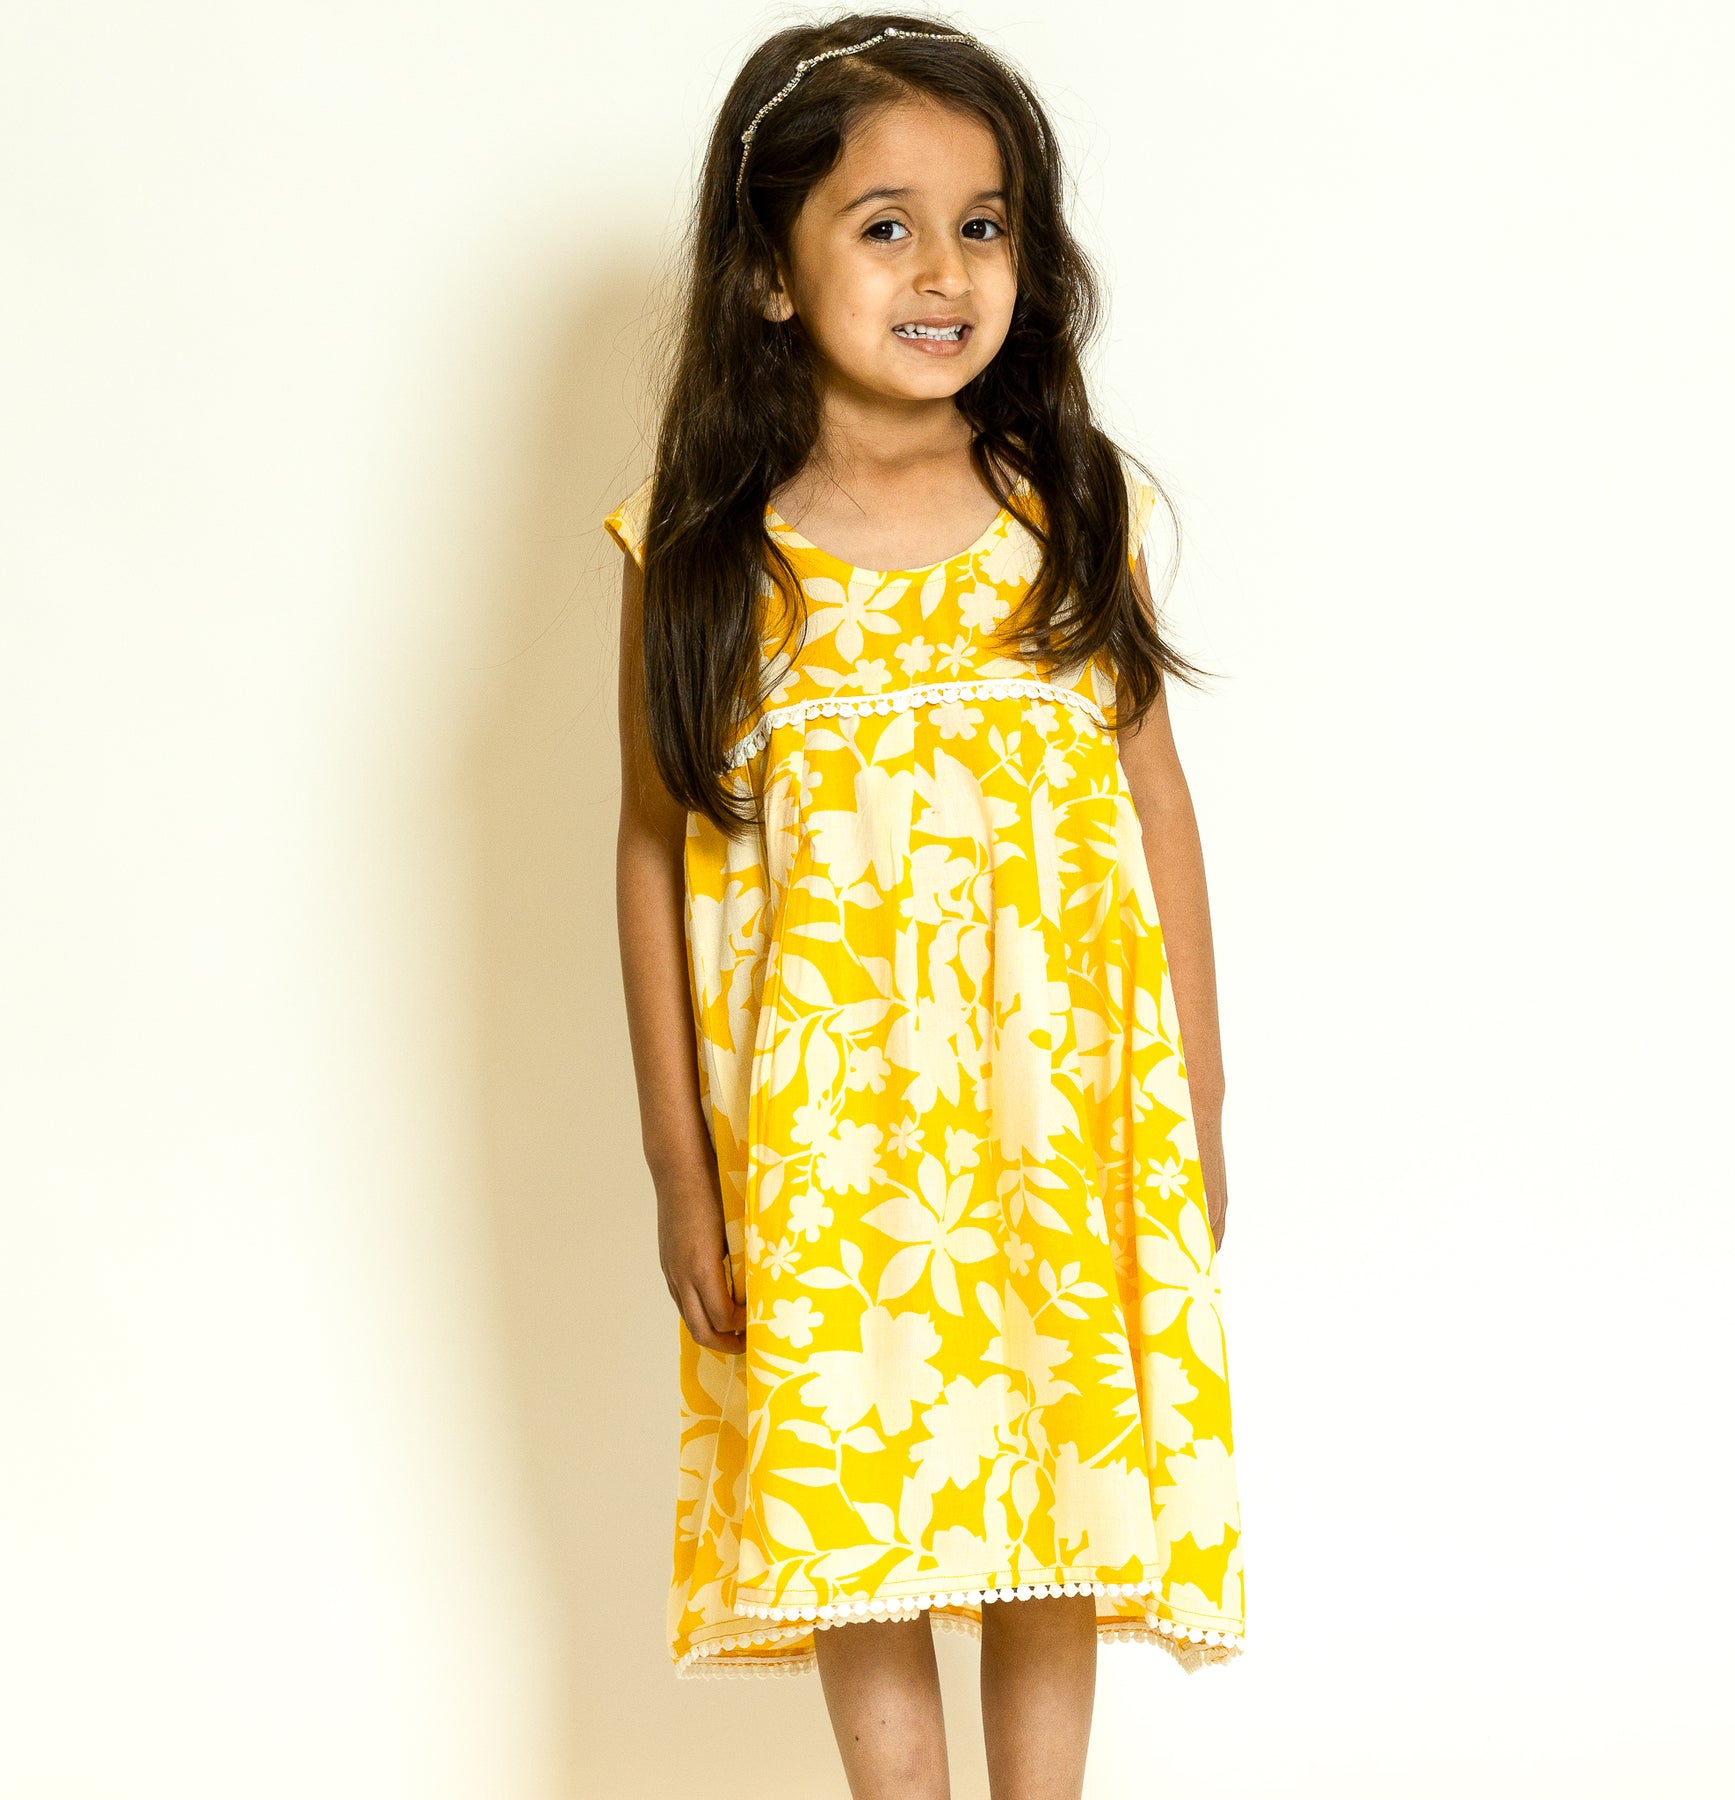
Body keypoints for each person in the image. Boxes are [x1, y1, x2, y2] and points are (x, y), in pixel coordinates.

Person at [606, 14, 1244, 1796]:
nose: (945, 270)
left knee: (1057, 1473)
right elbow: (653, 846)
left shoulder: (1069, 508)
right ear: (767, 273)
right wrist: (680, 1168)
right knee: (862, 1499)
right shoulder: (703, 552)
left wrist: (1196, 1096)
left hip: (1060, 1111)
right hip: (830, 1134)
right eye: (885, 226)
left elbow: (1158, 803)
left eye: (984, 224)